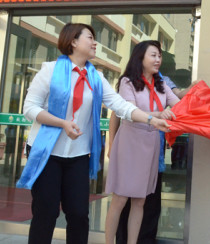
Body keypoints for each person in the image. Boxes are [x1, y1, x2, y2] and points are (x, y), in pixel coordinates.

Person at [17, 23, 170, 244]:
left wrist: (151, 119)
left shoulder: (95, 76)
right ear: (73, 41)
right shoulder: (49, 70)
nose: (95, 42)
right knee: (46, 212)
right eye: (90, 37)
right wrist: (62, 123)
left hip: (78, 154)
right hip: (47, 152)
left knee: (79, 215)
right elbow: (29, 108)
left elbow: (120, 105)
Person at [104, 40, 180, 244]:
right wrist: (160, 114)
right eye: (153, 55)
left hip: (151, 145)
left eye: (159, 56)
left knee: (140, 201)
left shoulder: (161, 84)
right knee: (119, 199)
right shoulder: (127, 82)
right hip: (130, 143)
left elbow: (179, 106)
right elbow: (128, 113)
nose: (158, 60)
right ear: (141, 58)